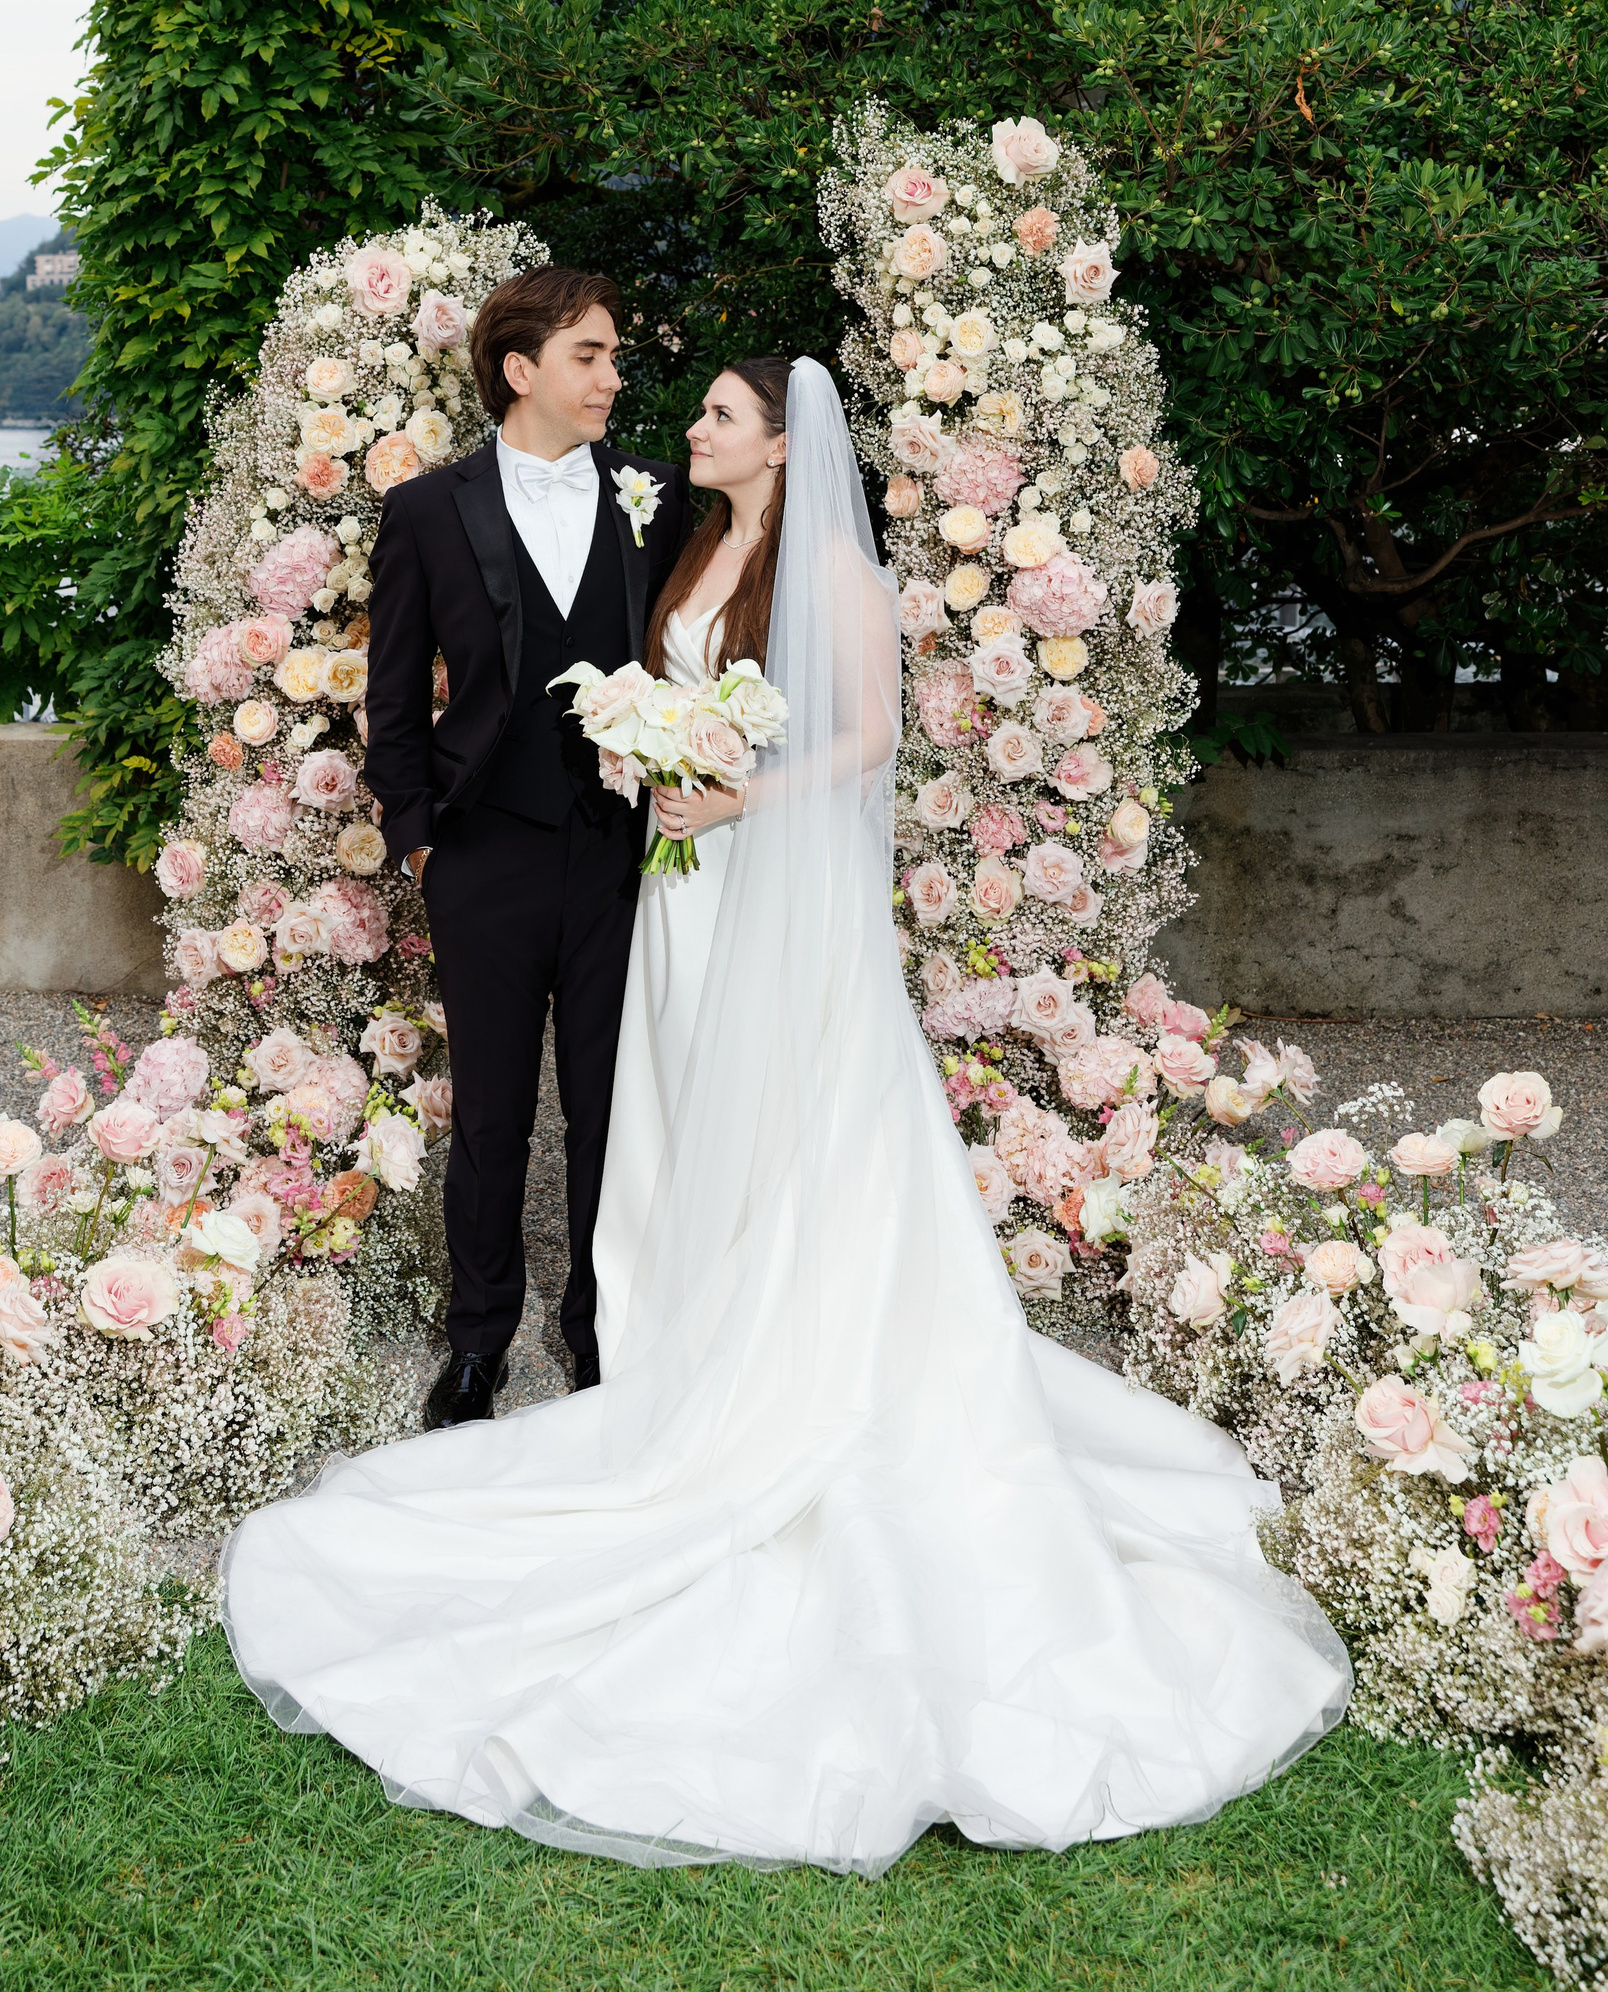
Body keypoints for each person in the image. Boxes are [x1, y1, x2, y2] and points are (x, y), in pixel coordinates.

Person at [226, 358, 1351, 1871]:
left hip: (768, 882)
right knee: (680, 1115)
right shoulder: (685, 545)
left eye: (716, 417)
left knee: (797, 1124)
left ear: (777, 443)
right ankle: (680, 1334)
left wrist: (736, 795)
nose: (687, 427)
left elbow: (871, 738)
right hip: (681, 893)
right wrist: (643, 753)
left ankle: (782, 1355)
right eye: (690, 411)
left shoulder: (829, 569)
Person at [362, 266, 688, 1430]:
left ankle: (605, 1334)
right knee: (492, 1115)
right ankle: (477, 1345)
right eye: (589, 356)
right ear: (521, 369)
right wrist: (419, 845)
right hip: (484, 853)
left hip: (621, 854)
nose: (612, 377)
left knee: (613, 1108)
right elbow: (392, 695)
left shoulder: (653, 495)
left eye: (613, 356)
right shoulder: (427, 510)